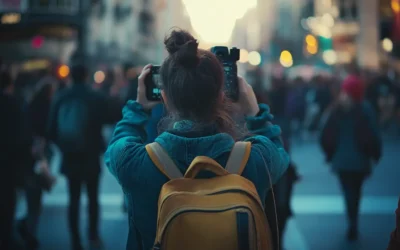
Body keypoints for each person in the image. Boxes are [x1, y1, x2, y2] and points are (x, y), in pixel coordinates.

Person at [105, 29, 290, 250]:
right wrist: (255, 113)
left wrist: (138, 108)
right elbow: (280, 153)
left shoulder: (136, 163)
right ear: (222, 97)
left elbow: (118, 144)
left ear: (164, 97)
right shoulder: (254, 160)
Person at [47, 63, 122, 250]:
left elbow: (51, 130)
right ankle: (93, 236)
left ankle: (75, 240)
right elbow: (111, 116)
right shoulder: (94, 97)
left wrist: (64, 145)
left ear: (70, 76)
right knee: (92, 197)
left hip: (70, 156)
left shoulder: (61, 97)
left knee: (73, 199)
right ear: (87, 75)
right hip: (90, 154)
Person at [320, 75, 382, 241]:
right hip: (361, 159)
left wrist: (329, 153)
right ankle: (354, 221)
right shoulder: (365, 108)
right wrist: (376, 154)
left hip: (341, 159)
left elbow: (324, 133)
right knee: (357, 191)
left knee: (347, 191)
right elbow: (374, 134)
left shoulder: (336, 109)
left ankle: (351, 221)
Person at [0, 70, 31, 250]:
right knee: (8, 199)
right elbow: (23, 134)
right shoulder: (15, 103)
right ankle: (6, 237)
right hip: (9, 160)